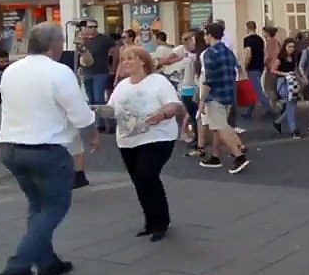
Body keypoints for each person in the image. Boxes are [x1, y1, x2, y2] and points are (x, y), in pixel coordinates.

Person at [0, 22, 99, 275]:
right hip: (46, 150)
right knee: (54, 207)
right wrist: (93, 133)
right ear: (56, 45)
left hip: (11, 147)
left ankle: (47, 262)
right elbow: (80, 114)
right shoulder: (59, 72)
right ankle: (18, 264)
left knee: (37, 207)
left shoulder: (11, 70)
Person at [101, 46, 182, 242]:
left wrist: (161, 115)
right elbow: (110, 110)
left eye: (131, 58)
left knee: (148, 175)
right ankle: (150, 221)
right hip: (128, 141)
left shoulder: (158, 82)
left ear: (143, 61)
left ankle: (162, 222)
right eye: (124, 59)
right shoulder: (122, 86)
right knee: (139, 181)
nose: (126, 62)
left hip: (158, 137)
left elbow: (175, 106)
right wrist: (92, 111)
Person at [197, 23, 250, 174]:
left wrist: (202, 101)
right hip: (228, 93)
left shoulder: (209, 53)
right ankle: (215, 156)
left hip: (215, 96)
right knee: (218, 127)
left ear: (210, 35)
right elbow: (236, 71)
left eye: (206, 34)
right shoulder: (228, 52)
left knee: (221, 127)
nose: (204, 37)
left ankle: (238, 155)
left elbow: (209, 80)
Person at [78, 20, 115, 132]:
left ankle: (102, 123)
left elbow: (115, 52)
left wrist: (113, 67)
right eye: (89, 27)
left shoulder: (104, 39)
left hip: (100, 71)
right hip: (86, 71)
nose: (92, 29)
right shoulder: (82, 39)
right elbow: (79, 54)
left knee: (99, 97)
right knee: (91, 98)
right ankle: (94, 122)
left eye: (95, 26)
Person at [241, 21, 274, 119]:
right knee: (253, 88)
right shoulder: (260, 39)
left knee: (257, 90)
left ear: (247, 28)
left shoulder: (247, 40)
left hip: (252, 67)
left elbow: (248, 53)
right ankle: (249, 111)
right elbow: (265, 53)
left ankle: (269, 108)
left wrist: (245, 65)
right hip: (259, 66)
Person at [271, 38, 303, 139]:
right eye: (289, 47)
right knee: (291, 103)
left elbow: (295, 70)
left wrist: (300, 79)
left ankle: (278, 122)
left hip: (292, 82)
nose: (291, 49)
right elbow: (273, 70)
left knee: (292, 105)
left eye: (293, 47)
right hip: (282, 82)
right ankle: (293, 130)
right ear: (285, 47)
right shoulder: (280, 58)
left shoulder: (294, 58)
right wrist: (284, 74)